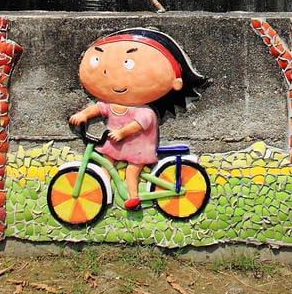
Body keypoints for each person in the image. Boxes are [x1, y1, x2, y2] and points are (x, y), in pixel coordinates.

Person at [69, 28, 208, 210]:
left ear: (176, 82)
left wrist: (121, 132)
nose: (111, 74)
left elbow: (138, 125)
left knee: (132, 171)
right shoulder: (114, 105)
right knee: (106, 163)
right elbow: (99, 108)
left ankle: (133, 197)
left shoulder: (145, 112)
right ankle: (101, 191)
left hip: (137, 148)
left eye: (128, 64)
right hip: (116, 144)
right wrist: (83, 114)